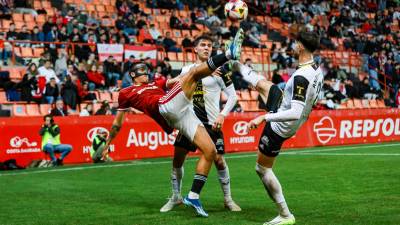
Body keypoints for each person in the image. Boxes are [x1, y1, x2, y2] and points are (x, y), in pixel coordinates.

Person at [102, 29, 245, 217]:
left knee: (211, 152)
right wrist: (107, 144)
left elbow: (176, 81)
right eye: (139, 71)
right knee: (193, 74)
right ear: (132, 75)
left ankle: (193, 196)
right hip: (166, 106)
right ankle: (228, 54)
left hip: (186, 114)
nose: (144, 73)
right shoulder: (126, 92)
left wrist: (210, 70)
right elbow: (117, 124)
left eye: (145, 70)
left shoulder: (157, 83)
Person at [246, 29, 323, 225]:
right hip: (288, 117)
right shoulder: (317, 70)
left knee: (262, 169)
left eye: (296, 42)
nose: (294, 45)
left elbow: (295, 111)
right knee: (265, 86)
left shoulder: (301, 76)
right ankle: (237, 65)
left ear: (301, 46)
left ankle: (285, 214)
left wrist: (264, 117)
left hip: (281, 125)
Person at [160, 35, 241, 213]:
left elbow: (233, 96)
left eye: (209, 46)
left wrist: (222, 115)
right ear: (195, 49)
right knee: (177, 160)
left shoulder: (221, 70)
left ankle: (228, 199)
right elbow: (172, 88)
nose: (206, 48)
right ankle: (176, 197)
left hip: (212, 124)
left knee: (219, 160)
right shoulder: (187, 70)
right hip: (189, 123)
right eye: (203, 45)